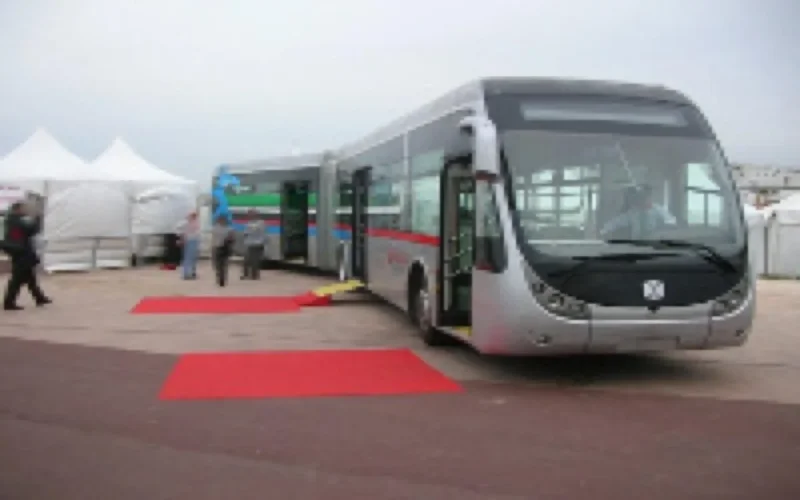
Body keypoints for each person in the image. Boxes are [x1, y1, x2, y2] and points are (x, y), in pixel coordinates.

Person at [2, 201, 51, 310]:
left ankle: (39, 298)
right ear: (17, 209)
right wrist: (36, 219)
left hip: (21, 252)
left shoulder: (13, 220)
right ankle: (9, 302)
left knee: (30, 277)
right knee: (17, 279)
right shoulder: (15, 221)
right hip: (21, 253)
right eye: (23, 208)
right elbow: (30, 230)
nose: (25, 210)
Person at [599, 184, 676, 239]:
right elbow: (617, 222)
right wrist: (604, 230)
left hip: (655, 246)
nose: (643, 199)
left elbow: (671, 221)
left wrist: (660, 229)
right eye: (641, 196)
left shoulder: (658, 210)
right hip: (636, 247)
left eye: (646, 196)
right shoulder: (633, 212)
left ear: (650, 197)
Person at [211, 215, 234, 287]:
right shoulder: (216, 228)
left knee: (223, 264)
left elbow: (232, 238)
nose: (222, 221)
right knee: (219, 265)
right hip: (217, 247)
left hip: (223, 248)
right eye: (221, 220)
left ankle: (222, 278)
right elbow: (232, 238)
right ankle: (220, 277)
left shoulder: (228, 229)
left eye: (223, 220)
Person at [241, 209, 265, 280]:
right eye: (249, 214)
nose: (249, 216)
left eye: (251, 214)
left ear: (256, 215)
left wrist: (250, 230)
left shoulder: (261, 222)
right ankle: (246, 275)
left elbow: (261, 232)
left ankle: (255, 276)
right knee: (246, 260)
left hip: (258, 244)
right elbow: (245, 233)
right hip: (250, 244)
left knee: (255, 261)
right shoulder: (248, 223)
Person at [177, 212, 201, 280]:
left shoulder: (193, 222)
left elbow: (179, 230)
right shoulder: (186, 223)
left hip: (192, 240)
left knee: (192, 258)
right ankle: (187, 274)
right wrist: (182, 237)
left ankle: (191, 273)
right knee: (189, 258)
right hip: (190, 240)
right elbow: (179, 230)